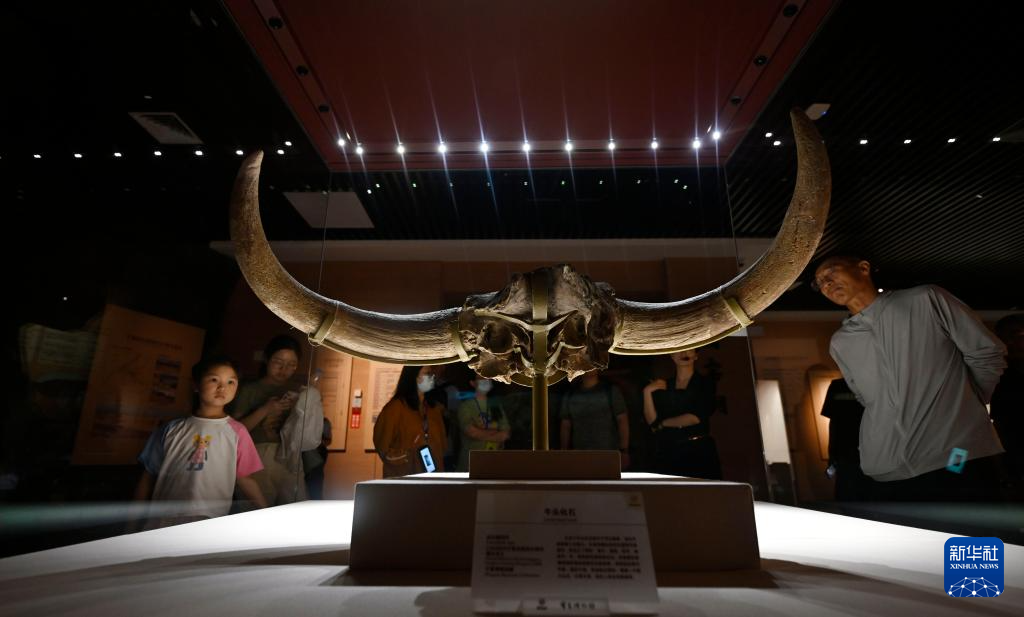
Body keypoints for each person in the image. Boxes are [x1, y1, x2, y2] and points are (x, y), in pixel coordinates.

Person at [813, 255, 1006, 500]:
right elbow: (864, 397)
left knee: (971, 521)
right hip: (885, 468)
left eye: (832, 272)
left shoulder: (925, 299)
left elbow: (987, 353)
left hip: (955, 456)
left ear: (863, 268)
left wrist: (965, 405)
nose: (827, 283)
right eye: (820, 282)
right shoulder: (841, 341)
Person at [134, 357, 266, 528]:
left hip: (209, 520)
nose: (222, 387)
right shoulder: (171, 429)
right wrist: (131, 525)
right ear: (196, 385)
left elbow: (245, 479)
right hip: (163, 519)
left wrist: (267, 512)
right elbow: (147, 478)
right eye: (214, 380)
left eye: (231, 382)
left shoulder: (238, 432)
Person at [229, 335, 323, 506]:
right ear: (266, 359)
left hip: (290, 458)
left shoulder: (297, 391)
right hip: (257, 455)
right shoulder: (250, 390)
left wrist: (304, 406)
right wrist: (265, 409)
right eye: (278, 362)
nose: (284, 369)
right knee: (258, 510)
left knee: (294, 510)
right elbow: (234, 431)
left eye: (291, 364)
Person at [643, 350, 721, 479]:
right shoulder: (664, 384)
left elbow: (696, 417)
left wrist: (662, 424)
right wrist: (647, 392)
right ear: (672, 356)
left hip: (698, 450)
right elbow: (652, 421)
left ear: (696, 355)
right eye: (679, 350)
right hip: (668, 451)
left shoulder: (705, 383)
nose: (684, 353)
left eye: (689, 349)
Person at [373, 365, 448, 477]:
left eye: (432, 373)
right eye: (427, 373)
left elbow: (443, 445)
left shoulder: (434, 409)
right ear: (413, 376)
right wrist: (407, 455)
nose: (432, 377)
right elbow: (383, 448)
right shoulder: (395, 409)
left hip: (432, 478)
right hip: (404, 478)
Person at [560, 370, 630, 469]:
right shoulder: (570, 394)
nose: (589, 368)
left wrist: (624, 450)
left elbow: (622, 420)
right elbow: (566, 425)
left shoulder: (610, 391)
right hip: (580, 454)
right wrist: (564, 451)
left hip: (607, 453)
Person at [820, 378, 872, 501]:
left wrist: (832, 455)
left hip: (846, 454)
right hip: (868, 452)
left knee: (849, 498)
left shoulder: (838, 385)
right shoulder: (873, 383)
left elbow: (833, 424)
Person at [991, 314, 1024, 487]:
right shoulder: (998, 375)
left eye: (1017, 336)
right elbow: (1001, 424)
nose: (1009, 343)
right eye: (1004, 338)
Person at [456, 377, 510, 471]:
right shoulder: (466, 406)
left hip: (494, 465)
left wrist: (481, 432)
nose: (485, 380)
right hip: (470, 465)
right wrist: (496, 433)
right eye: (481, 378)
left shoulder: (495, 405)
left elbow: (506, 434)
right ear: (472, 383)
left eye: (488, 377)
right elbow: (472, 432)